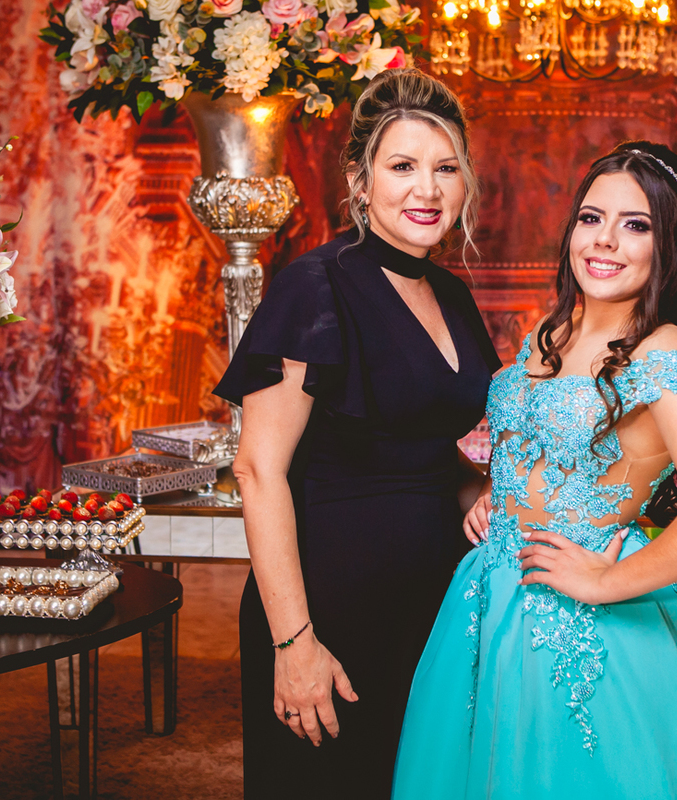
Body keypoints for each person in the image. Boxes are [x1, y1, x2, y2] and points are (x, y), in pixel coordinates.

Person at [392, 142, 677, 798]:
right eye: (592, 218)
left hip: (582, 620)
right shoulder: (551, 331)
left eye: (636, 225)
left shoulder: (662, 349)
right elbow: (534, 449)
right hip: (490, 598)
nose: (606, 240)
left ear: (666, 247)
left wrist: (608, 579)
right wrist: (495, 492)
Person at [213, 67, 501, 799]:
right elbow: (258, 470)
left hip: (433, 607)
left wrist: (478, 492)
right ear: (360, 182)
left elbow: (432, 450)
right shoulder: (315, 285)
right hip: (329, 611)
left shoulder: (452, 296)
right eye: (402, 166)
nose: (427, 189)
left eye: (446, 169)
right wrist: (294, 643)